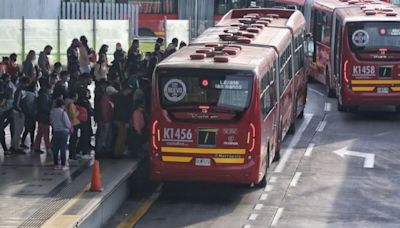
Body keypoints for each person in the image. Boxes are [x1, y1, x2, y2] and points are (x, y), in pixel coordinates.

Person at [11, 76, 31, 154]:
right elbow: (16, 103)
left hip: (19, 112)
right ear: (24, 83)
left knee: (18, 130)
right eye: (27, 84)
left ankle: (14, 145)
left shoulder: (21, 90)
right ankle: (15, 147)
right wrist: (21, 111)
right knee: (18, 130)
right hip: (18, 113)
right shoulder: (19, 91)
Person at [50, 98, 72, 170]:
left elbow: (51, 121)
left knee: (55, 148)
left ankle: (55, 164)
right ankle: (63, 164)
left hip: (56, 131)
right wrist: (69, 127)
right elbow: (67, 123)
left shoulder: (52, 112)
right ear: (62, 105)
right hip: (63, 131)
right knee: (63, 148)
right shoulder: (63, 112)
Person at [96, 85, 117, 157]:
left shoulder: (109, 99)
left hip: (109, 120)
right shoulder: (105, 99)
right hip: (105, 120)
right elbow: (104, 110)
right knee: (103, 136)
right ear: (109, 92)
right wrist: (105, 120)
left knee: (108, 135)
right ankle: (99, 151)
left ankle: (106, 150)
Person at [113, 84, 134, 158]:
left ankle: (120, 152)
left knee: (123, 136)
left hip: (120, 119)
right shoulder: (123, 99)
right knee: (121, 136)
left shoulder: (119, 97)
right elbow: (124, 111)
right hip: (121, 119)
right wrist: (127, 121)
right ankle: (117, 153)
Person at [34, 80, 52, 154]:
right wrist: (50, 112)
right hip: (44, 117)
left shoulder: (41, 95)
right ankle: (48, 148)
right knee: (46, 133)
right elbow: (44, 107)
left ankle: (36, 147)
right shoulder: (44, 96)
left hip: (40, 116)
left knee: (40, 133)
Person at [20, 83, 37, 150]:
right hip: (32, 114)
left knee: (27, 128)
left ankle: (23, 141)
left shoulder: (25, 94)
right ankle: (32, 142)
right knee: (32, 128)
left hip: (26, 113)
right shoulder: (33, 95)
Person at [66, 92, 80, 160]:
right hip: (73, 123)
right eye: (76, 96)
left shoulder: (67, 104)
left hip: (71, 123)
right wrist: (78, 112)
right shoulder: (71, 104)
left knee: (73, 139)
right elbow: (72, 115)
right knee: (73, 140)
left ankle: (72, 154)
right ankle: (72, 154)